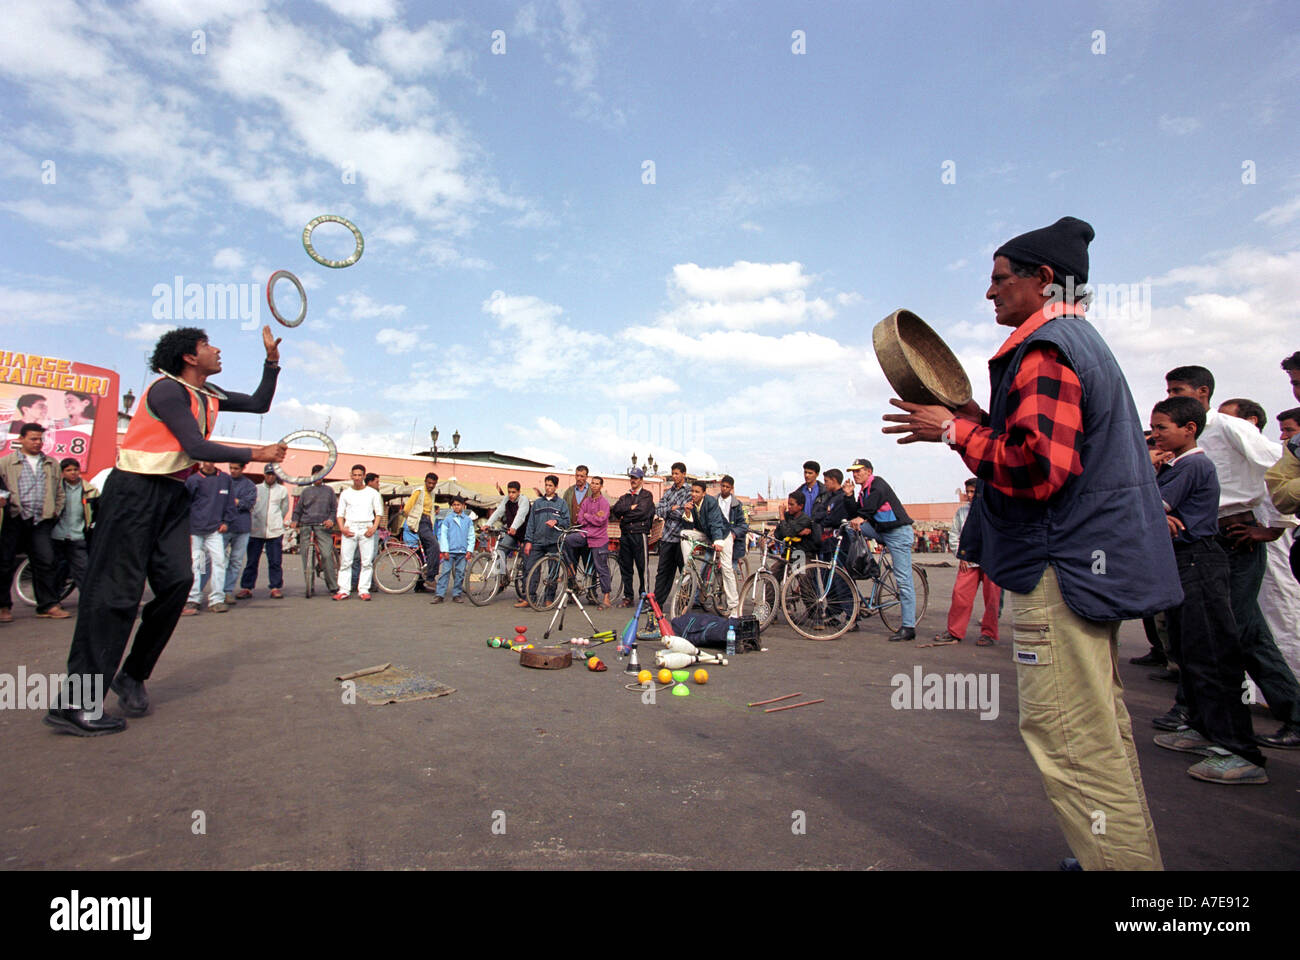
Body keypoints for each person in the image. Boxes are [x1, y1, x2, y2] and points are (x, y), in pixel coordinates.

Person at [882, 216, 1177, 870]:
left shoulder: (1045, 348)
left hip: (1062, 570)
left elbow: (1039, 468)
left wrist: (956, 435)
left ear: (1044, 279)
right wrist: (970, 422)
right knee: (1099, 732)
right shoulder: (1079, 341)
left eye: (999, 279)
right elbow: (1037, 445)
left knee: (1071, 740)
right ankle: (1108, 854)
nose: (989, 293)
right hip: (1084, 569)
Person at [48, 324, 285, 736]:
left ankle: (132, 675)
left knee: (178, 581)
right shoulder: (166, 391)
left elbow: (261, 403)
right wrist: (254, 453)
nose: (216, 350)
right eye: (207, 345)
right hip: (134, 494)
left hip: (172, 496)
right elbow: (195, 447)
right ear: (189, 358)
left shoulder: (208, 395)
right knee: (116, 596)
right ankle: (75, 704)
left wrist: (271, 362)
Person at [1165, 366, 1300, 749]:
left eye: (1178, 390)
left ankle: (1285, 715)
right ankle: (1193, 713)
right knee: (1208, 631)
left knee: (1233, 634)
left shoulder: (1228, 427)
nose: (1172, 396)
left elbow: (1277, 463)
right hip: (1205, 541)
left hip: (1238, 537)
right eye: (1169, 391)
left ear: (1202, 392)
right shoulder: (1188, 438)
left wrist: (1273, 527)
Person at [1147, 397, 1267, 783]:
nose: (1155, 435)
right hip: (1185, 566)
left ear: (1189, 429)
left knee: (1212, 656)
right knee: (1189, 651)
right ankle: (1202, 728)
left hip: (1199, 562)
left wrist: (1153, 504)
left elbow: (1145, 507)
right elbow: (1154, 511)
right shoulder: (1175, 465)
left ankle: (1240, 751)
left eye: (1162, 427)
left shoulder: (1192, 464)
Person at [1219, 399, 1300, 686]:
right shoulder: (1236, 455)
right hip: (1253, 547)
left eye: (1289, 430)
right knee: (1256, 620)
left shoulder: (1271, 454)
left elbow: (1281, 489)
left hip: (1278, 549)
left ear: (1250, 422)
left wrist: (1274, 530)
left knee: (1283, 615)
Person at [0, 423, 67, 620]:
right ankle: (3, 606)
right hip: (14, 518)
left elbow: (60, 491)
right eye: (33, 439)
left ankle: (47, 605)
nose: (38, 443)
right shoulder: (6, 463)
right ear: (20, 439)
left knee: (46, 562)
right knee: (5, 563)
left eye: (40, 439)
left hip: (41, 520)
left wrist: (55, 511)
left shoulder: (51, 463)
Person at [846, 457, 917, 642]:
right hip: (881, 531)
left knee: (903, 580)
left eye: (859, 471)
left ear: (869, 471)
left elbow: (870, 508)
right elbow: (855, 514)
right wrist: (848, 496)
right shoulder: (863, 492)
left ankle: (909, 627)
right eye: (853, 472)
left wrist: (861, 518)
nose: (855, 474)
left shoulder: (878, 484)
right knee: (848, 527)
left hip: (898, 533)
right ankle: (869, 563)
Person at [934, 478, 1002, 646]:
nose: (971, 496)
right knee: (960, 596)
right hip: (969, 562)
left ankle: (988, 633)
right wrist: (961, 555)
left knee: (992, 600)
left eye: (974, 492)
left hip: (990, 563)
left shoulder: (995, 511)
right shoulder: (962, 512)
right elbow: (955, 535)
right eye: (968, 492)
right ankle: (954, 631)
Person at [678, 479, 739, 617]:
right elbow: (689, 527)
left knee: (727, 568)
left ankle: (734, 608)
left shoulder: (711, 502)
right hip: (707, 534)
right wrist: (687, 513)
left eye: (697, 492)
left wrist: (718, 541)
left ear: (704, 493)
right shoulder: (692, 504)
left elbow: (716, 522)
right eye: (692, 491)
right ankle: (688, 568)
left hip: (722, 535)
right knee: (684, 534)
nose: (693, 494)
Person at [182, 461, 235, 615]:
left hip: (215, 530)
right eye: (205, 459)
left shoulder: (225, 479)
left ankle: (217, 600)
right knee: (197, 564)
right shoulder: (193, 480)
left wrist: (226, 521)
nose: (208, 463)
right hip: (196, 529)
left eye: (211, 459)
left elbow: (230, 503)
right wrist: (187, 528)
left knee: (219, 562)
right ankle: (193, 598)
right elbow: (185, 505)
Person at [516, 475, 569, 608]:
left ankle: (549, 598)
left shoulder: (561, 503)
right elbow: (531, 524)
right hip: (537, 542)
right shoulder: (538, 503)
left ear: (556, 487)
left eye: (550, 485)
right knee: (530, 569)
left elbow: (567, 522)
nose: (548, 487)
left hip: (553, 542)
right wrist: (528, 541)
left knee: (553, 571)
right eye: (546, 485)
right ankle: (529, 598)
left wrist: (556, 521)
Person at [238, 465, 289, 599]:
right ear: (264, 474)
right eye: (268, 474)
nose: (270, 476)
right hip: (256, 530)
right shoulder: (256, 488)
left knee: (275, 561)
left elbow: (284, 509)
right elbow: (250, 506)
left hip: (274, 531)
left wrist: (276, 520)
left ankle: (275, 587)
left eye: (273, 474)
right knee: (252, 561)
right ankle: (247, 587)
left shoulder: (282, 490)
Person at [335, 464, 383, 601]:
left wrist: (373, 528)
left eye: (359, 475)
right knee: (346, 561)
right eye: (354, 475)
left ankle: (363, 590)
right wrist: (342, 528)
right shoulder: (346, 493)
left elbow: (379, 513)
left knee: (366, 562)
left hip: (366, 528)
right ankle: (343, 590)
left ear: (363, 476)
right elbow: (340, 514)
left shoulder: (372, 493)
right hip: (349, 528)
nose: (356, 478)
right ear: (351, 476)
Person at [290, 466, 339, 598]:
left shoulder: (329, 491)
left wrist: (330, 520)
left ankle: (333, 586)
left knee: (327, 555)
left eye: (321, 474)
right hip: (306, 526)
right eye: (316, 474)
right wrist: (295, 521)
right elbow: (298, 510)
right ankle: (309, 586)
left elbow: (334, 510)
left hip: (322, 527)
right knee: (306, 556)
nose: (318, 477)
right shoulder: (306, 491)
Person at [563, 475, 612, 607]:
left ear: (601, 486)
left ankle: (606, 597)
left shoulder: (604, 503)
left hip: (599, 538)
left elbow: (601, 521)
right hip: (585, 534)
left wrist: (587, 516)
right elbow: (579, 519)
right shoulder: (586, 502)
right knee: (566, 540)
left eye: (597, 484)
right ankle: (571, 568)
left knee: (601, 567)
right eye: (593, 483)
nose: (594, 485)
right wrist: (591, 517)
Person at [51, 458, 95, 594]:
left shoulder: (89, 490)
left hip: (77, 535)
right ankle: (53, 598)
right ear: (62, 472)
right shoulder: (55, 489)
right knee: (55, 569)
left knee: (83, 569)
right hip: (57, 534)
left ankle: (88, 600)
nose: (73, 473)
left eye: (75, 469)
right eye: (68, 470)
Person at [611, 468, 654, 606]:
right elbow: (616, 511)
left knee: (642, 567)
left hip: (639, 533)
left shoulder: (647, 495)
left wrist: (625, 515)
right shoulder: (625, 497)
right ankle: (628, 596)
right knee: (626, 567)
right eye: (631, 477)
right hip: (625, 535)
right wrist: (630, 508)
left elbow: (642, 512)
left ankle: (645, 595)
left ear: (641, 480)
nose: (633, 480)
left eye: (636, 478)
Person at [653, 462, 692, 607]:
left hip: (683, 538)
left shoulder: (689, 492)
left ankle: (684, 604)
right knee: (663, 572)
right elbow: (659, 510)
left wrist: (671, 510)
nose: (674, 477)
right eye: (673, 474)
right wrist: (673, 509)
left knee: (685, 573)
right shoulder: (668, 492)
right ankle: (657, 603)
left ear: (683, 474)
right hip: (668, 537)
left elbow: (685, 513)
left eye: (677, 474)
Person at [221, 461, 256, 605]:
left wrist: (233, 502)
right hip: (223, 527)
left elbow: (248, 504)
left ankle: (227, 591)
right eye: (231, 468)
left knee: (235, 561)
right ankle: (198, 592)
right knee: (215, 560)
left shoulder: (249, 485)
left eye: (236, 468)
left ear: (243, 468)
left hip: (242, 528)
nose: (233, 471)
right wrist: (234, 502)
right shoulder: (223, 482)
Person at [433, 495, 475, 603]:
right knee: (445, 573)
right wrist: (445, 550)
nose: (456, 507)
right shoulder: (448, 519)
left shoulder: (468, 520)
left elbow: (471, 536)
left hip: (462, 551)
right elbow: (443, 535)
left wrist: (469, 550)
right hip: (450, 551)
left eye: (458, 505)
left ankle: (457, 594)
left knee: (460, 573)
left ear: (463, 506)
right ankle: (440, 594)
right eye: (454, 505)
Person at [402, 472, 440, 590]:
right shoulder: (419, 491)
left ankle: (419, 585)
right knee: (434, 546)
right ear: (425, 482)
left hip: (428, 522)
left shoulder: (432, 494)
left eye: (433, 484)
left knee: (425, 554)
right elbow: (407, 508)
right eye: (429, 483)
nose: (431, 485)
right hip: (421, 521)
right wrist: (412, 522)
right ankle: (430, 578)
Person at [485, 480, 529, 582]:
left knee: (526, 561)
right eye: (509, 492)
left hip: (526, 533)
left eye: (513, 492)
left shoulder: (524, 500)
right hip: (512, 532)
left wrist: (514, 527)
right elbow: (498, 512)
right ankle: (501, 580)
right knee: (500, 551)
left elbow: (521, 516)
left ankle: (525, 590)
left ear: (519, 492)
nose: (511, 495)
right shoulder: (506, 500)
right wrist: (488, 524)